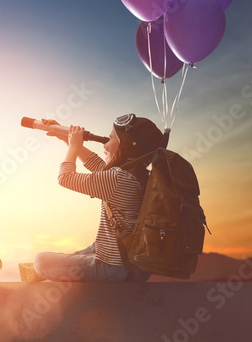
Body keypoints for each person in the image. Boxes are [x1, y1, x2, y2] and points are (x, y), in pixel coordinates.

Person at [33, 113, 166, 282]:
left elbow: (65, 178)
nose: (104, 143)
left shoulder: (117, 179)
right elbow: (95, 163)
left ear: (127, 147)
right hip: (133, 264)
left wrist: (73, 147)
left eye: (109, 139)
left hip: (117, 268)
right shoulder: (136, 175)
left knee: (41, 262)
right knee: (94, 247)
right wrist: (65, 137)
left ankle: (47, 271)